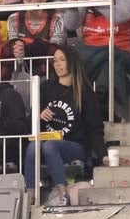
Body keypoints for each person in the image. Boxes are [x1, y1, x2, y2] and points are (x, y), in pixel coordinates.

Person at [62, 0, 130, 111]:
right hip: (94, 60)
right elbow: (70, 24)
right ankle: (105, 104)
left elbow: (117, 16)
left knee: (112, 53)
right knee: (108, 61)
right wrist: (73, 2)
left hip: (126, 58)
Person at [31, 46, 103, 205]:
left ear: (72, 62)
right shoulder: (46, 87)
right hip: (47, 141)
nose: (57, 64)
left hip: (75, 145)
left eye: (62, 60)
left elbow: (95, 128)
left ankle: (63, 194)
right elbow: (30, 118)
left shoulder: (85, 93)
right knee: (33, 147)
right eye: (55, 61)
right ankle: (30, 195)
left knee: (50, 146)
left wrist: (102, 154)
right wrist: (39, 115)